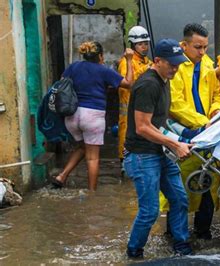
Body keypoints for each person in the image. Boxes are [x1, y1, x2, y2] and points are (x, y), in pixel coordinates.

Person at [123, 38, 192, 258]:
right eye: (171, 63)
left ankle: (182, 247)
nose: (175, 67)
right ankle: (134, 253)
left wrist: (187, 135)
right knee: (150, 210)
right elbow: (143, 127)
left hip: (160, 151)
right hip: (142, 155)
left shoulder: (165, 80)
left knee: (180, 199)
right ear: (157, 60)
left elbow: (162, 120)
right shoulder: (148, 84)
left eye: (178, 63)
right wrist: (175, 144)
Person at [162, 23, 220, 240]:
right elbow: (175, 104)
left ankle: (203, 233)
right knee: (179, 188)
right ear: (184, 45)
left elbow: (217, 94)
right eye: (197, 47)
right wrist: (202, 123)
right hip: (186, 135)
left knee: (208, 185)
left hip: (208, 133)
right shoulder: (176, 68)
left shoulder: (207, 65)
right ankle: (173, 236)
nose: (202, 52)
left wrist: (216, 111)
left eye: (205, 47)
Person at [52, 41, 134, 190]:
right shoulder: (104, 71)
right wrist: (129, 60)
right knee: (93, 157)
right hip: (92, 117)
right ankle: (92, 194)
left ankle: (62, 176)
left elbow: (62, 84)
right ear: (101, 56)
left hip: (72, 116)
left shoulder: (73, 67)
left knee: (83, 147)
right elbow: (129, 83)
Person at [117, 26, 153, 173]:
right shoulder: (126, 62)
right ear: (132, 45)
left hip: (141, 107)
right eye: (140, 44)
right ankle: (124, 166)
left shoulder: (147, 61)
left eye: (146, 43)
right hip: (129, 108)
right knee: (126, 137)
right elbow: (129, 83)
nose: (144, 46)